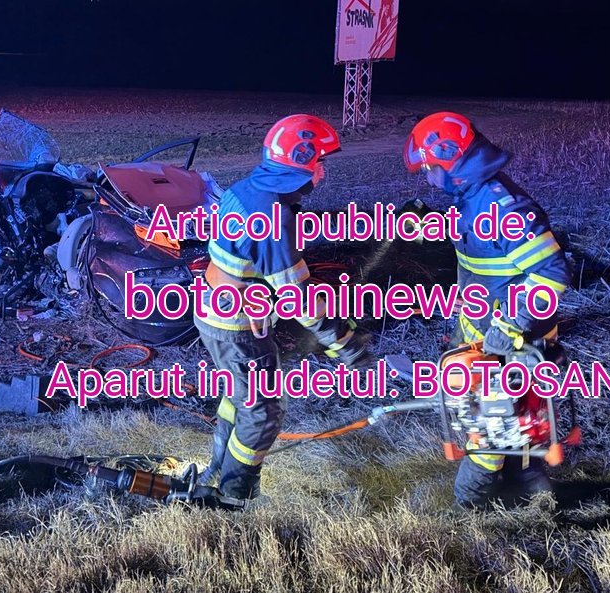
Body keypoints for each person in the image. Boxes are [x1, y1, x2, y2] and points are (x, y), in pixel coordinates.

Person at [197, 114, 373, 501]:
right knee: (262, 413)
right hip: (237, 327)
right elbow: (300, 300)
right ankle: (234, 498)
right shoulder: (272, 218)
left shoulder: (246, 189)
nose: (323, 172)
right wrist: (345, 344)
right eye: (319, 162)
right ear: (300, 162)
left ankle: (216, 470)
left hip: (215, 311)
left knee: (239, 398)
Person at [403, 111, 572, 509]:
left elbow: (551, 274)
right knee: (517, 423)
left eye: (430, 169)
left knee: (490, 430)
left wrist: (509, 327)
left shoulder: (502, 206)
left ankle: (470, 509)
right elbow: (482, 263)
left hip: (512, 339)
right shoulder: (472, 197)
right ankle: (527, 487)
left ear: (452, 161)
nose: (428, 179)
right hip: (489, 332)